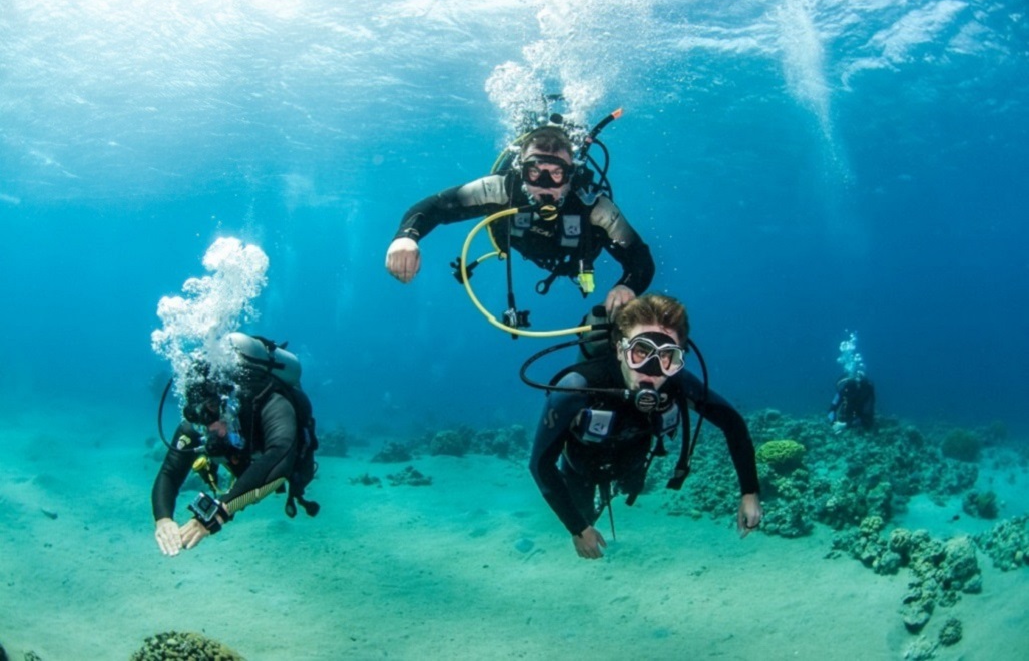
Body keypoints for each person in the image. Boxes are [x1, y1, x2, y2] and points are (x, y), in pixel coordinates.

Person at [528, 294, 762, 559]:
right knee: (583, 512)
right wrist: (578, 528)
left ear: (678, 359)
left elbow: (732, 423)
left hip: (633, 463)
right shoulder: (576, 388)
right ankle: (588, 509)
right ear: (620, 349)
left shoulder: (677, 383)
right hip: (580, 468)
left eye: (667, 356)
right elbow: (540, 464)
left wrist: (750, 493)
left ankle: (611, 493)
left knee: (629, 487)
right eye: (641, 351)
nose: (651, 370)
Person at [384, 124, 655, 317]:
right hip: (521, 244)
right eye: (535, 172)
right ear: (520, 170)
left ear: (570, 174)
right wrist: (406, 236)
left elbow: (640, 258)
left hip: (573, 259)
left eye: (557, 173)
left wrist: (627, 286)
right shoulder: (500, 189)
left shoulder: (593, 206)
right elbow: (434, 206)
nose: (545, 184)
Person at [152, 334, 318, 557]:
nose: (207, 428)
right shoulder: (201, 422)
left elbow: (280, 456)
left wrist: (218, 512)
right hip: (249, 460)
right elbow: (170, 472)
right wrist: (163, 519)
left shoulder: (272, 402)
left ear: (228, 403)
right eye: (199, 416)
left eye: (212, 412)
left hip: (285, 456)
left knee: (296, 473)